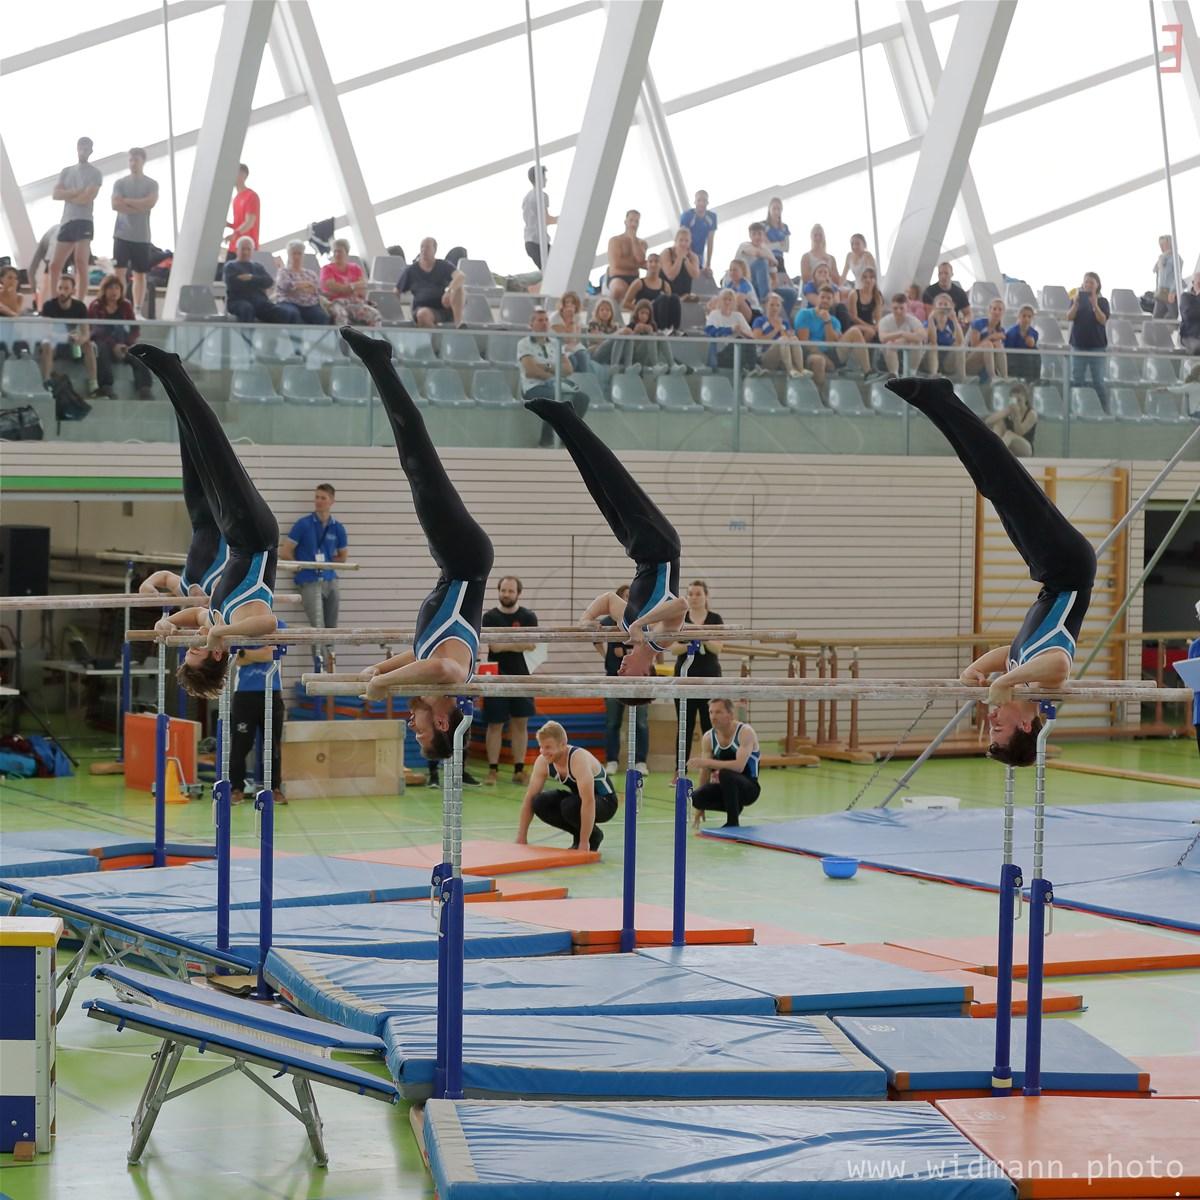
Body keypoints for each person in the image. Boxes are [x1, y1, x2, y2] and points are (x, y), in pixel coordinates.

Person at [888, 376, 1095, 766]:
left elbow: (1011, 653)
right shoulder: (1045, 686)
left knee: (991, 482)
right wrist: (1005, 682)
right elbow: (1060, 664)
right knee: (1001, 475)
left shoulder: (1025, 674)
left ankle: (934, 401)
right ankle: (938, 397)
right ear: (1027, 726)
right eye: (999, 729)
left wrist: (978, 667)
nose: (992, 720)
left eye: (989, 728)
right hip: (1068, 566)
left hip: (1052, 570)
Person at [342, 327, 495, 760]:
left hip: (457, 561)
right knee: (417, 460)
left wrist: (378, 669)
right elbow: (440, 665)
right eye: (421, 734)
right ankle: (379, 359)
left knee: (414, 463)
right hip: (464, 560)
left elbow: (419, 654)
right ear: (443, 723)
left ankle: (378, 361)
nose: (412, 725)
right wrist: (383, 684)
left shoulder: (437, 672)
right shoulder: (454, 678)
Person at [131, 344, 279, 698]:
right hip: (255, 536)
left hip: (238, 536)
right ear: (216, 653)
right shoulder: (238, 625)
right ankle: (172, 369)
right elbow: (270, 622)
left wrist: (167, 621)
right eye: (195, 649)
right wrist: (222, 634)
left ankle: (168, 374)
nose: (193, 641)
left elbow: (194, 616)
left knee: (195, 450)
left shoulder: (213, 619)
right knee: (213, 445)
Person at [525, 396, 687, 678]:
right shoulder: (661, 640)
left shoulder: (626, 628)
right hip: (661, 546)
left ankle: (562, 421)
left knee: (596, 483)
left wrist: (586, 618)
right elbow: (680, 605)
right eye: (626, 677)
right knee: (610, 475)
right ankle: (565, 416)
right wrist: (641, 625)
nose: (620, 671)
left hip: (638, 550)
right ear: (646, 673)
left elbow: (609, 600)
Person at [515, 721, 617, 852]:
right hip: (579, 799)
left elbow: (588, 801)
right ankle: (593, 834)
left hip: (605, 802)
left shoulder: (578, 759)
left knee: (569, 806)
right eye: (541, 747)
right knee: (539, 802)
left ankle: (590, 838)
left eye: (548, 747)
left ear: (562, 745)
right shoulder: (543, 761)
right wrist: (522, 836)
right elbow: (529, 797)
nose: (543, 752)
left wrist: (584, 843)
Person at [283, 483, 348, 669]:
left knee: (331, 627)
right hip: (309, 580)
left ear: (332, 501)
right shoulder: (303, 524)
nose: (318, 501)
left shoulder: (337, 527)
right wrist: (300, 567)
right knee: (318, 627)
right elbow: (285, 551)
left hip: (330, 579)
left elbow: (343, 556)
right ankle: (320, 669)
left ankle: (331, 668)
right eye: (317, 497)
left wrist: (327, 563)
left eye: (323, 498)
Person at [482, 576, 537, 787]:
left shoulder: (528, 616)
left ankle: (519, 770)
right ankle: (492, 770)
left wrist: (505, 643)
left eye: (510, 591)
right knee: (494, 724)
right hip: (495, 676)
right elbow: (494, 647)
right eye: (503, 590)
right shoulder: (490, 617)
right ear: (498, 591)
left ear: (518, 593)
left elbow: (531, 644)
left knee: (520, 723)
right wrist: (518, 642)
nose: (506, 594)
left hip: (522, 676)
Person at [230, 618, 287, 806]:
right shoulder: (239, 625)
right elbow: (237, 659)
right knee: (240, 745)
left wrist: (246, 653)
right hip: (244, 695)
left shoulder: (278, 625)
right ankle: (236, 788)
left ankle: (274, 788)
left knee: (273, 745)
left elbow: (271, 654)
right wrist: (258, 653)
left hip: (272, 692)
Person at [594, 584, 648, 774]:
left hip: (639, 678)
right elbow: (596, 639)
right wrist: (607, 656)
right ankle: (612, 760)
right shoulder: (609, 621)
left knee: (641, 722)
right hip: (614, 676)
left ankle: (641, 761)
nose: (629, 600)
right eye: (625, 596)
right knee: (612, 722)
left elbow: (653, 645)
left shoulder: (642, 619)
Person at [668, 581, 724, 763]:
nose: (694, 597)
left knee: (710, 725)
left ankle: (713, 768)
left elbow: (718, 648)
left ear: (706, 596)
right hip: (685, 678)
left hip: (709, 677)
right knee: (685, 725)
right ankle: (679, 769)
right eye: (690, 594)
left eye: (698, 594)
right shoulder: (680, 619)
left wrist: (702, 635)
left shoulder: (715, 619)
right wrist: (691, 643)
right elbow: (673, 649)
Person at [688, 699, 760, 829]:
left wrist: (707, 762)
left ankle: (732, 822)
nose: (713, 717)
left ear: (730, 715)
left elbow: (739, 767)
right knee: (696, 797)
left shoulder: (745, 732)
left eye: (718, 712)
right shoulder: (708, 737)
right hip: (726, 789)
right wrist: (700, 808)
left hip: (749, 789)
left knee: (726, 774)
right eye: (711, 712)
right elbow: (705, 771)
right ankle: (734, 807)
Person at [518, 307, 585, 446]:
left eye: (546, 320)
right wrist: (554, 372)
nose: (544, 323)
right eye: (540, 320)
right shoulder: (524, 343)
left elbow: (568, 369)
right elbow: (531, 371)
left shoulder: (556, 342)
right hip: (533, 386)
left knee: (582, 398)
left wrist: (545, 366)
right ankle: (546, 441)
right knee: (554, 398)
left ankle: (568, 438)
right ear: (531, 324)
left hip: (557, 384)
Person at [50, 137, 102, 302]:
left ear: (91, 151)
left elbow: (86, 198)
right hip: (67, 221)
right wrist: (76, 192)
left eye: (86, 149)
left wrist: (68, 194)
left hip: (84, 221)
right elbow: (56, 194)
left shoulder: (95, 173)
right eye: (81, 148)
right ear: (77, 148)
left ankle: (79, 301)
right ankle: (54, 300)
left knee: (80, 262)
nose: (83, 151)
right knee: (54, 265)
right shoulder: (66, 171)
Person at [88, 274, 153, 398]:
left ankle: (144, 388)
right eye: (111, 288)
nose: (114, 291)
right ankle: (106, 387)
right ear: (104, 290)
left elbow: (134, 329)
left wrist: (127, 344)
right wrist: (114, 345)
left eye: (117, 288)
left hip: (123, 343)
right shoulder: (96, 305)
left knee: (139, 353)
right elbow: (96, 330)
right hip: (103, 343)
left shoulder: (126, 305)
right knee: (101, 350)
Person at [110, 147, 158, 316]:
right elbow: (115, 205)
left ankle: (137, 310)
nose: (133, 163)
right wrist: (139, 205)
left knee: (140, 274)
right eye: (130, 160)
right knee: (119, 273)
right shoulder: (120, 183)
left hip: (141, 236)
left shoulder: (151, 184)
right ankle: (119, 307)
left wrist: (127, 201)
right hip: (121, 234)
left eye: (136, 160)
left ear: (143, 161)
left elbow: (150, 203)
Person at [37, 275, 98, 397]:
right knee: (47, 344)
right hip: (55, 343)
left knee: (88, 345)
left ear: (73, 290)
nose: (62, 292)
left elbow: (86, 333)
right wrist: (64, 336)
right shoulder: (48, 306)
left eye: (66, 288)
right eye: (60, 288)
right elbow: (46, 332)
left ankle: (93, 383)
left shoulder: (80, 306)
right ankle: (46, 382)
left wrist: (80, 339)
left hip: (72, 344)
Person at [224, 237, 297, 324]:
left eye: (248, 249)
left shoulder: (257, 266)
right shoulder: (231, 266)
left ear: (252, 251)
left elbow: (269, 282)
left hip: (259, 302)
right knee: (247, 309)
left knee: (285, 313)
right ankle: (246, 333)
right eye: (243, 249)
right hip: (238, 301)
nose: (245, 252)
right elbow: (233, 285)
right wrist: (258, 282)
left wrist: (251, 278)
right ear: (237, 250)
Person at [397, 238, 465, 327]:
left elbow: (460, 276)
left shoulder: (444, 265)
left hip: (445, 307)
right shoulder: (411, 270)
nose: (424, 250)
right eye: (422, 247)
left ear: (435, 250)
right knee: (423, 314)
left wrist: (449, 291)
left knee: (458, 287)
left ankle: (458, 325)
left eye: (427, 247)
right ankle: (435, 336)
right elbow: (396, 291)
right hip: (423, 309)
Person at [1066, 272, 1110, 405]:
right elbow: (1069, 317)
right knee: (1077, 380)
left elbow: (1102, 320)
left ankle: (1104, 410)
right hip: (1078, 346)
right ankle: (1075, 409)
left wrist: (1095, 305)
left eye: (1092, 282)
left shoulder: (1103, 301)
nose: (1088, 284)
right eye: (1086, 282)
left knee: (1098, 382)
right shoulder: (1075, 300)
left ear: (1098, 285)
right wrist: (1075, 304)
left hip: (1097, 347)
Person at [793, 285, 844, 387]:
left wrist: (827, 321)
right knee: (819, 360)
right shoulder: (804, 314)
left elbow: (831, 343)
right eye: (822, 297)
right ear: (817, 298)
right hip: (807, 354)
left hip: (829, 353)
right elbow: (804, 342)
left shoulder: (835, 321)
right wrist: (824, 357)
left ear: (832, 301)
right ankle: (819, 395)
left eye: (828, 298)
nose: (825, 300)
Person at [321, 239, 380, 327]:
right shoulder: (327, 269)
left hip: (355, 302)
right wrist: (353, 286)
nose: (337, 254)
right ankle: (343, 336)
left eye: (340, 251)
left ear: (346, 252)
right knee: (341, 315)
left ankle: (373, 336)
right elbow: (333, 287)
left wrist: (345, 289)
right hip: (336, 302)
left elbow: (363, 290)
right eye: (335, 251)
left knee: (375, 315)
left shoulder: (355, 268)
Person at [275, 240, 331, 325]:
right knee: (292, 314)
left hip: (310, 304)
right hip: (288, 302)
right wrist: (306, 285)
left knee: (321, 316)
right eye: (294, 253)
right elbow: (287, 286)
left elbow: (316, 290)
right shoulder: (283, 272)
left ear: (303, 255)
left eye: (299, 254)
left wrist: (299, 287)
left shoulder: (311, 274)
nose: (296, 257)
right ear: (289, 255)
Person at [622, 252, 681, 333]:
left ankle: (675, 329)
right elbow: (625, 304)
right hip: (646, 317)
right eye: (650, 261)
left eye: (656, 262)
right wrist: (643, 309)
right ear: (647, 264)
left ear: (661, 265)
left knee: (674, 297)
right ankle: (661, 329)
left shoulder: (665, 285)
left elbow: (670, 305)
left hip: (661, 315)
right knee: (663, 298)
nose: (653, 264)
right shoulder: (639, 283)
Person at [752, 292, 807, 377]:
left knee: (794, 339)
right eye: (772, 305)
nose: (775, 308)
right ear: (766, 305)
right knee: (782, 340)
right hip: (765, 356)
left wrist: (781, 329)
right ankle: (790, 369)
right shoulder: (759, 321)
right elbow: (757, 340)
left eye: (777, 305)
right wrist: (775, 330)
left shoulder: (784, 322)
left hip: (784, 357)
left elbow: (788, 339)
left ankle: (800, 369)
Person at [705, 288, 756, 370]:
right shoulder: (714, 314)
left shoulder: (738, 315)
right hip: (721, 352)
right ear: (720, 301)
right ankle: (749, 368)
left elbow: (751, 335)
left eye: (730, 300)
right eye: (725, 299)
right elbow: (710, 331)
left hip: (738, 350)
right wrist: (730, 330)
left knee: (746, 342)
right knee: (739, 341)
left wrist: (741, 331)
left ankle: (751, 368)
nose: (727, 302)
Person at [878, 292, 927, 376]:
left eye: (901, 308)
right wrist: (901, 334)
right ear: (891, 307)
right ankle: (894, 374)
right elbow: (882, 338)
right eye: (895, 308)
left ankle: (912, 373)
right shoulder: (885, 320)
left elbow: (922, 336)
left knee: (917, 343)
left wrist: (903, 335)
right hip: (889, 350)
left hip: (907, 347)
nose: (899, 311)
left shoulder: (912, 320)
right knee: (890, 345)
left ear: (906, 308)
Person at [985, 381, 1037, 457]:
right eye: (1014, 400)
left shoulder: (1031, 414)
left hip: (1026, 448)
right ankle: (993, 449)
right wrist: (1007, 411)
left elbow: (1019, 432)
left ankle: (996, 453)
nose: (1017, 403)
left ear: (1025, 399)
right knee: (998, 424)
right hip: (1010, 447)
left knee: (1009, 434)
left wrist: (1016, 416)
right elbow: (988, 421)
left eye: (1019, 400)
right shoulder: (1010, 410)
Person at [606, 210, 646, 307]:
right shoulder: (615, 240)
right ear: (625, 222)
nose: (633, 224)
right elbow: (617, 263)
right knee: (618, 289)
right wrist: (638, 265)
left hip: (635, 278)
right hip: (617, 277)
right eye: (631, 220)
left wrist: (633, 239)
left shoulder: (642, 243)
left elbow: (640, 259)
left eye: (636, 221)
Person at [924, 294, 965, 381]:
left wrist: (954, 320)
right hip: (930, 359)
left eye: (946, 304)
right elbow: (933, 340)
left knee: (958, 347)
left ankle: (962, 377)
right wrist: (931, 319)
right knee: (932, 345)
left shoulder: (951, 324)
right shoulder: (928, 322)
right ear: (935, 306)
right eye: (940, 304)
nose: (943, 307)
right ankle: (933, 375)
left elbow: (960, 341)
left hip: (947, 360)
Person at [968, 297, 1009, 383]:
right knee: (988, 344)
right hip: (970, 361)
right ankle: (992, 377)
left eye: (1000, 310)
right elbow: (973, 347)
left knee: (998, 344)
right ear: (989, 310)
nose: (997, 312)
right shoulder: (978, 323)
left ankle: (1005, 376)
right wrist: (991, 337)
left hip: (986, 365)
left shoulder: (1000, 330)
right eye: (994, 309)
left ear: (1003, 313)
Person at [522, 165, 556, 268]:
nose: (546, 179)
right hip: (538, 243)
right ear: (539, 178)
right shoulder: (542, 196)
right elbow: (547, 220)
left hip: (529, 243)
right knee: (557, 269)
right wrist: (564, 218)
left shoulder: (527, 197)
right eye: (544, 176)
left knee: (551, 271)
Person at [225, 163, 260, 258]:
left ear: (243, 175)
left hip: (247, 249)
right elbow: (240, 223)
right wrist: (229, 225)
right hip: (234, 247)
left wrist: (235, 234)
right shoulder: (236, 198)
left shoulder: (251, 196)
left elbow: (249, 223)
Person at [551, 292, 591, 375]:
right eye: (567, 302)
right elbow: (567, 339)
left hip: (573, 346)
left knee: (582, 355)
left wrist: (572, 319)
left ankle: (585, 379)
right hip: (558, 345)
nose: (569, 305)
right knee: (572, 359)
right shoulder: (555, 317)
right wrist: (571, 320)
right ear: (562, 304)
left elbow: (575, 339)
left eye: (573, 303)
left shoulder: (577, 317)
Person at [845, 267, 883, 351]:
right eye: (865, 277)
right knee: (870, 332)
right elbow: (853, 317)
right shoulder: (854, 294)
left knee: (881, 334)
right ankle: (858, 353)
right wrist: (869, 326)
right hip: (854, 325)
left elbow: (878, 317)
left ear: (875, 280)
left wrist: (876, 326)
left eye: (871, 277)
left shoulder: (877, 296)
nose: (868, 280)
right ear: (861, 280)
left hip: (869, 324)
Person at [679, 190, 717, 270]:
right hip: (686, 253)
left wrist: (708, 263)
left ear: (707, 202)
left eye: (704, 200)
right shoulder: (687, 216)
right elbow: (683, 240)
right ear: (695, 202)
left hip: (700, 254)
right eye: (699, 200)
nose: (702, 203)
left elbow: (710, 241)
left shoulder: (712, 217)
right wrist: (691, 259)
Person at [660, 228, 701, 301]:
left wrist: (685, 259)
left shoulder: (693, 256)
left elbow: (695, 275)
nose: (683, 243)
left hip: (684, 295)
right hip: (666, 294)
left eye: (686, 241)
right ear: (676, 241)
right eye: (681, 240)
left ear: (690, 242)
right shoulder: (666, 253)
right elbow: (671, 276)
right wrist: (679, 258)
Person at [1004, 304, 1041, 383]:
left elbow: (1033, 347)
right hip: (1013, 361)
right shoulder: (1011, 333)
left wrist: (1032, 343)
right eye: (1024, 316)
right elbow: (1009, 351)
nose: (1026, 319)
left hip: (1028, 363)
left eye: (1029, 317)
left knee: (1036, 353)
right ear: (1019, 317)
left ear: (1032, 318)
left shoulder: (1034, 333)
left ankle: (1034, 381)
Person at [800, 225, 840, 290]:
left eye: (820, 235)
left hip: (829, 290)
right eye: (815, 235)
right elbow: (805, 279)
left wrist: (827, 266)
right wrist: (821, 281)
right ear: (811, 237)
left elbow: (837, 281)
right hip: (812, 290)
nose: (818, 238)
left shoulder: (831, 258)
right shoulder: (806, 257)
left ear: (824, 237)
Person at [1153, 234, 1181, 320]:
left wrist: (1173, 291)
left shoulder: (1176, 258)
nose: (1161, 247)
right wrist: (1162, 258)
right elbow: (1155, 271)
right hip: (1161, 291)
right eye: (1160, 245)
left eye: (1163, 244)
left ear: (1170, 244)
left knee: (1174, 316)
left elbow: (1177, 277)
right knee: (1156, 318)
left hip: (1170, 292)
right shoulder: (1162, 258)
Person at [763, 198, 790, 275]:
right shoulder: (763, 225)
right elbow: (764, 246)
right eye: (774, 208)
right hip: (766, 259)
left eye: (779, 209)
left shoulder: (784, 227)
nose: (776, 211)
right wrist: (779, 244)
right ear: (769, 209)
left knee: (783, 280)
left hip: (779, 260)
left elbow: (786, 248)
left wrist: (771, 244)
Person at [1180, 272, 1200, 356]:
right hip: (1191, 335)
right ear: (1193, 283)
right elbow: (1188, 314)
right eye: (1198, 283)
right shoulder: (1186, 297)